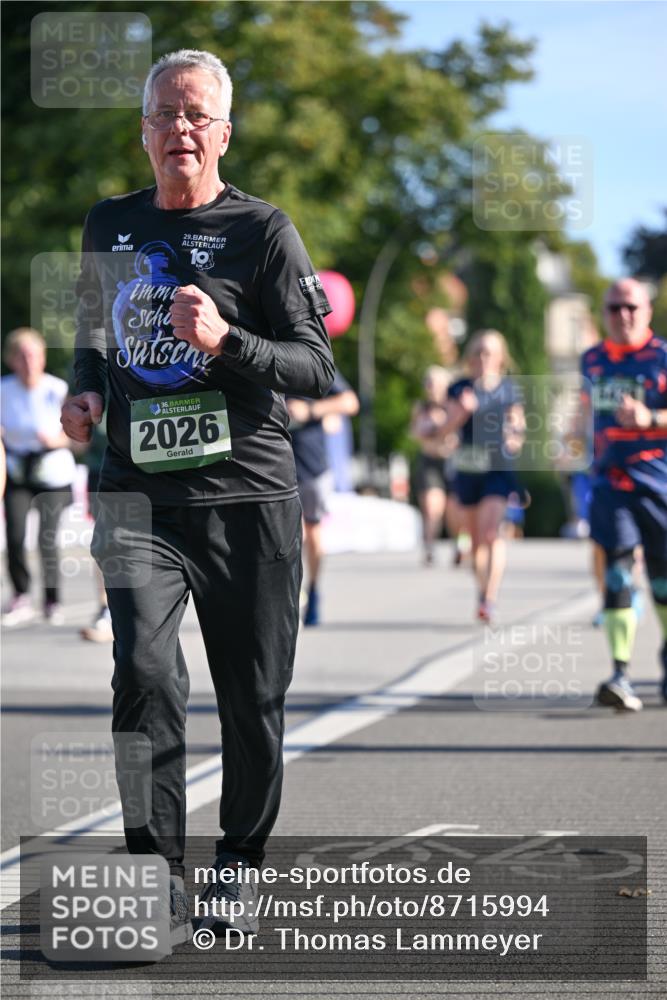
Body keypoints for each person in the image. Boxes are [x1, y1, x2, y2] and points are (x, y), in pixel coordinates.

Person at [61, 49, 334, 948]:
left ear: (222, 132)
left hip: (248, 501)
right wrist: (85, 389)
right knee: (141, 675)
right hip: (138, 497)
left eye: (196, 115)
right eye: (164, 114)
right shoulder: (108, 224)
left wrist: (226, 342)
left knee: (253, 703)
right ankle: (155, 877)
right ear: (142, 132)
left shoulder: (264, 231)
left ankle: (238, 869)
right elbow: (95, 336)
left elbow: (313, 364)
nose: (180, 128)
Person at [581, 278, 667, 711]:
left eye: (631, 307)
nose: (623, 316)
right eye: (614, 308)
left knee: (662, 584)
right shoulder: (592, 359)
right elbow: (587, 413)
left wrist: (650, 417)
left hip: (660, 485)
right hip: (611, 484)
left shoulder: (663, 357)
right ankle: (619, 674)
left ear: (647, 311)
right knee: (616, 575)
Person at [446, 330, 526, 623]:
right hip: (469, 467)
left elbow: (519, 426)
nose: (483, 358)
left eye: (489, 352)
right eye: (478, 351)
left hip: (498, 467)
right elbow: (444, 429)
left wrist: (513, 436)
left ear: (500, 358)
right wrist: (461, 415)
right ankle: (482, 592)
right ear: (470, 357)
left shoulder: (509, 389)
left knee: (492, 532)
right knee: (477, 540)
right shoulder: (459, 388)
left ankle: (490, 598)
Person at [1, 328, 76, 626]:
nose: (28, 361)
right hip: (18, 470)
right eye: (21, 356)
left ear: (43, 358)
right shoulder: (4, 390)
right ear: (11, 360)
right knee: (16, 535)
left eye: (33, 355)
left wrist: (56, 440)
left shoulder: (57, 389)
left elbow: (77, 438)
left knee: (47, 537)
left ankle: (52, 599)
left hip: (53, 472)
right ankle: (20, 594)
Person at [286, 371, 359, 625]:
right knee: (287, 535)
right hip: (275, 467)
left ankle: (314, 590)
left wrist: (311, 410)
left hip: (312, 465)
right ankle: (289, 597)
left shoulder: (311, 357)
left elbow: (350, 402)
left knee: (312, 533)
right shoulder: (258, 352)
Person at [410, 366, 464, 566]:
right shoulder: (422, 408)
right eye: (428, 383)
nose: (430, 387)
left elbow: (460, 435)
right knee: (432, 508)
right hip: (429, 462)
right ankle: (429, 548)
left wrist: (440, 430)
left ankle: (460, 544)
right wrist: (434, 430)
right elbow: (417, 433)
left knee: (455, 512)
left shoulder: (454, 407)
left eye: (434, 383)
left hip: (452, 463)